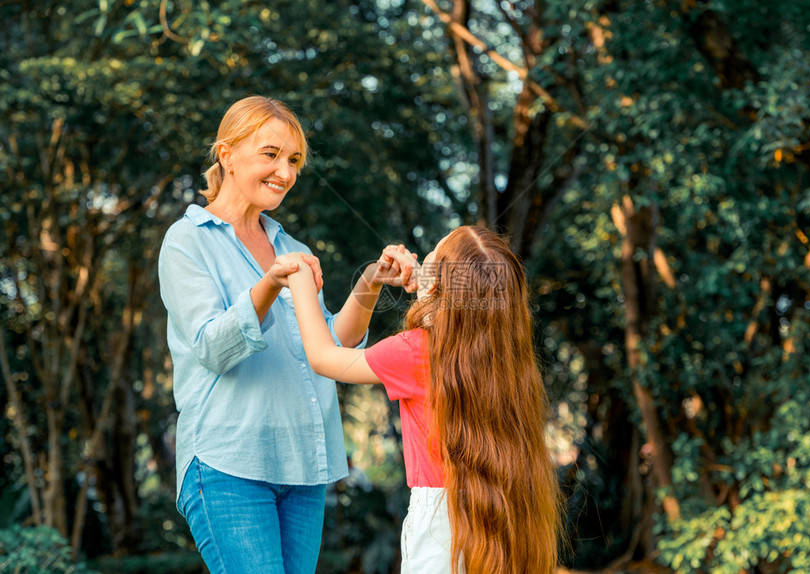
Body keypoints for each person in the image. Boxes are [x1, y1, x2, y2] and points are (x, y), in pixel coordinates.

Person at [157, 95, 414, 574]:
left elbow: (332, 344)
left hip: (302, 467)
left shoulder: (290, 247)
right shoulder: (187, 241)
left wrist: (371, 280)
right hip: (227, 464)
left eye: (294, 160)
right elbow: (213, 346)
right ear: (227, 155)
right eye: (271, 154)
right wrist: (271, 283)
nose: (285, 171)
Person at [279, 226, 561, 573]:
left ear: (441, 286)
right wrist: (386, 280)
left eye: (431, 257)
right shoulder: (509, 359)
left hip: (438, 523)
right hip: (507, 507)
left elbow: (324, 357)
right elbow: (467, 315)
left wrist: (300, 280)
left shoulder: (415, 350)